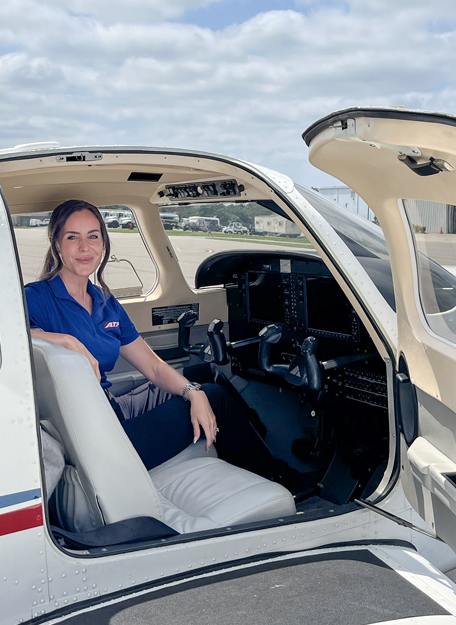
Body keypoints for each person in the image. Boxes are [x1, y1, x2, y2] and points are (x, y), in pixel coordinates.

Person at [26, 199, 283, 479]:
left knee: (201, 382)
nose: (85, 248)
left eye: (93, 236)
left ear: (103, 242)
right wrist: (65, 342)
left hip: (108, 412)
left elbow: (154, 367)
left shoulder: (104, 302)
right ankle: (277, 479)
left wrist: (192, 392)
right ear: (56, 243)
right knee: (217, 398)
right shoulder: (37, 296)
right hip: (97, 439)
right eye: (72, 237)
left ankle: (247, 472)